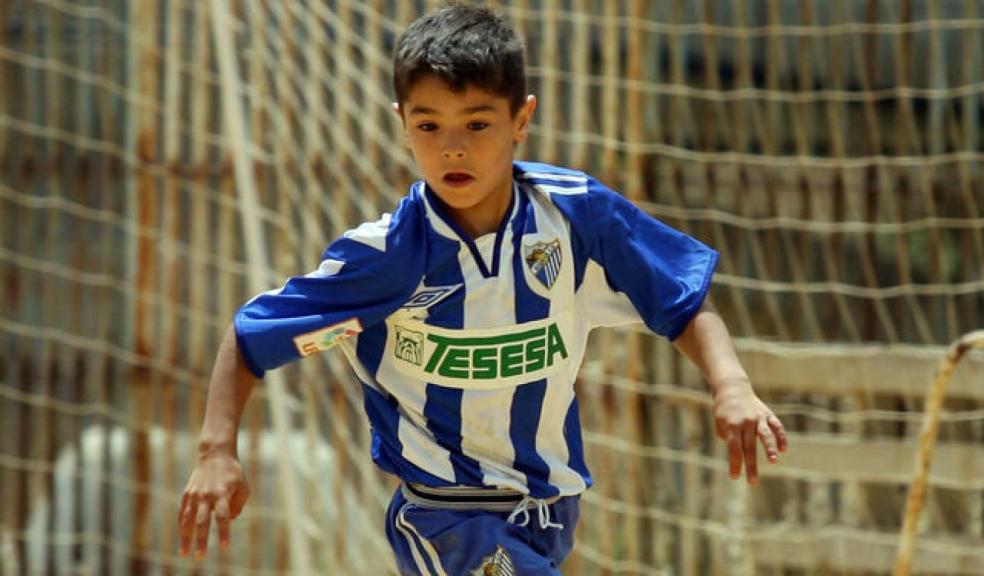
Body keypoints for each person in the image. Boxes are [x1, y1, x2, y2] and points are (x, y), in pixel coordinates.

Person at [177, 3, 788, 574]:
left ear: (522, 118)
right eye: (429, 125)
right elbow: (254, 341)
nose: (453, 146)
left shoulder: (576, 219)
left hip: (552, 507)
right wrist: (215, 450)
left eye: (476, 122)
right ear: (403, 126)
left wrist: (732, 387)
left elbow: (679, 301)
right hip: (444, 515)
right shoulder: (386, 260)